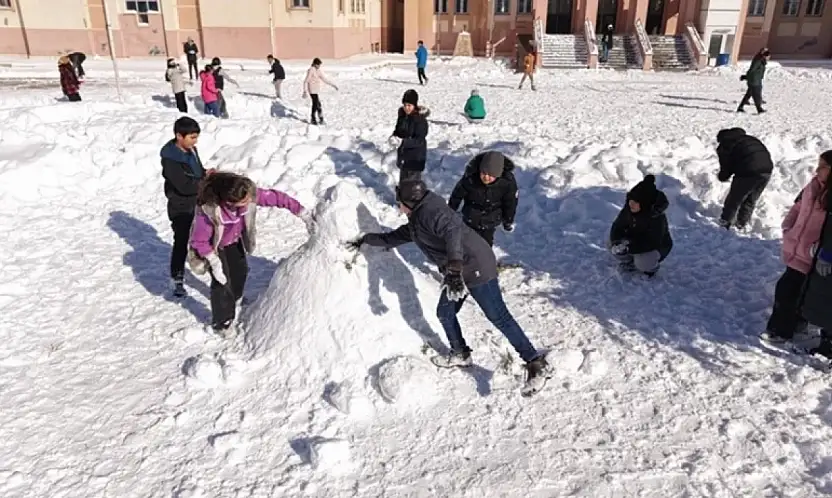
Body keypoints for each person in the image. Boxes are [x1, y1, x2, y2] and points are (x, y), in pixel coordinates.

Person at [346, 180, 551, 396]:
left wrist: (453, 270)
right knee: (445, 312)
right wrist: (365, 239)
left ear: (410, 202)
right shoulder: (417, 221)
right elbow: (392, 238)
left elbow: (452, 232)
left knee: (498, 315)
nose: (399, 206)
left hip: (475, 264)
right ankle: (460, 353)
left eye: (400, 202)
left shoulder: (433, 212)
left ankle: (535, 363)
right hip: (458, 271)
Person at [187, 172, 314, 336]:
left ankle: (235, 298)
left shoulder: (247, 193)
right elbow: (198, 241)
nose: (250, 201)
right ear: (229, 202)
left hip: (233, 241)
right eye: (244, 201)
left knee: (240, 271)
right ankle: (222, 323)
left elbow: (277, 198)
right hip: (215, 248)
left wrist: (302, 212)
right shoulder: (209, 212)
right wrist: (214, 262)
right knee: (222, 282)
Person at [764, 151, 832, 346]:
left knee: (792, 292)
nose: (817, 170)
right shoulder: (813, 185)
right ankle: (789, 327)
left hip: (815, 255)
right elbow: (798, 206)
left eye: (823, 166)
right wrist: (789, 226)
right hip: (798, 247)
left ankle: (781, 331)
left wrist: (824, 250)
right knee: (790, 291)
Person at [161, 117, 209, 297]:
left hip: (197, 202)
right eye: (192, 137)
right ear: (179, 136)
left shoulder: (192, 150)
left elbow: (198, 171)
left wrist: (206, 174)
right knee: (181, 241)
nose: (195, 141)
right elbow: (184, 186)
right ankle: (177, 277)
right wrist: (204, 184)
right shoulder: (170, 159)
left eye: (196, 137)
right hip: (180, 206)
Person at [448, 151, 517, 247]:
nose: (486, 177)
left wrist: (508, 220)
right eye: (484, 173)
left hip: (491, 218)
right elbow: (457, 194)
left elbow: (510, 203)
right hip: (470, 216)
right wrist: (450, 211)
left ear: (498, 175)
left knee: (485, 245)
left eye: (491, 175)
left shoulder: (506, 182)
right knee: (467, 243)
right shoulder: (471, 178)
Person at [609, 174, 673, 277]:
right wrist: (616, 242)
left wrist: (629, 248)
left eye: (635, 202)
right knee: (610, 243)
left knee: (643, 262)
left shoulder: (656, 217)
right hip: (634, 241)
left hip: (655, 247)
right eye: (630, 200)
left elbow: (652, 242)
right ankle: (629, 261)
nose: (631, 204)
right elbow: (618, 226)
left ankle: (651, 268)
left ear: (644, 204)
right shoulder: (629, 210)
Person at [715, 127, 773, 231]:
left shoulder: (725, 145)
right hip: (767, 170)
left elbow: (726, 167)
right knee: (750, 199)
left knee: (734, 199)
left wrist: (722, 177)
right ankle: (741, 224)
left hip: (748, 171)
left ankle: (725, 222)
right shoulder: (750, 139)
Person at [389, 89, 430, 183]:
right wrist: (394, 137)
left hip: (415, 159)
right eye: (405, 105)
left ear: (414, 105)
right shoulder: (402, 117)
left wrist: (403, 142)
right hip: (403, 157)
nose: (406, 108)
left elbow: (419, 140)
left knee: (412, 187)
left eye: (409, 105)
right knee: (403, 185)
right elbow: (398, 130)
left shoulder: (420, 120)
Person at [302, 58, 338, 125]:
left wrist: (333, 85)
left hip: (316, 90)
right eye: (318, 64)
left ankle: (320, 118)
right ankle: (313, 118)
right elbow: (306, 81)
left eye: (319, 65)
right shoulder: (311, 70)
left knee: (318, 104)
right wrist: (305, 91)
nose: (319, 66)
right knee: (315, 104)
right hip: (312, 90)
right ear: (314, 64)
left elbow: (324, 79)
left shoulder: (318, 70)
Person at [737, 48, 769, 114]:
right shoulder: (758, 60)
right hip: (754, 81)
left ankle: (740, 107)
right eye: (767, 55)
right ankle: (759, 109)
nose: (768, 57)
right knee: (756, 94)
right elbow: (751, 70)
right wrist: (746, 77)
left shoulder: (761, 60)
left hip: (757, 80)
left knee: (749, 93)